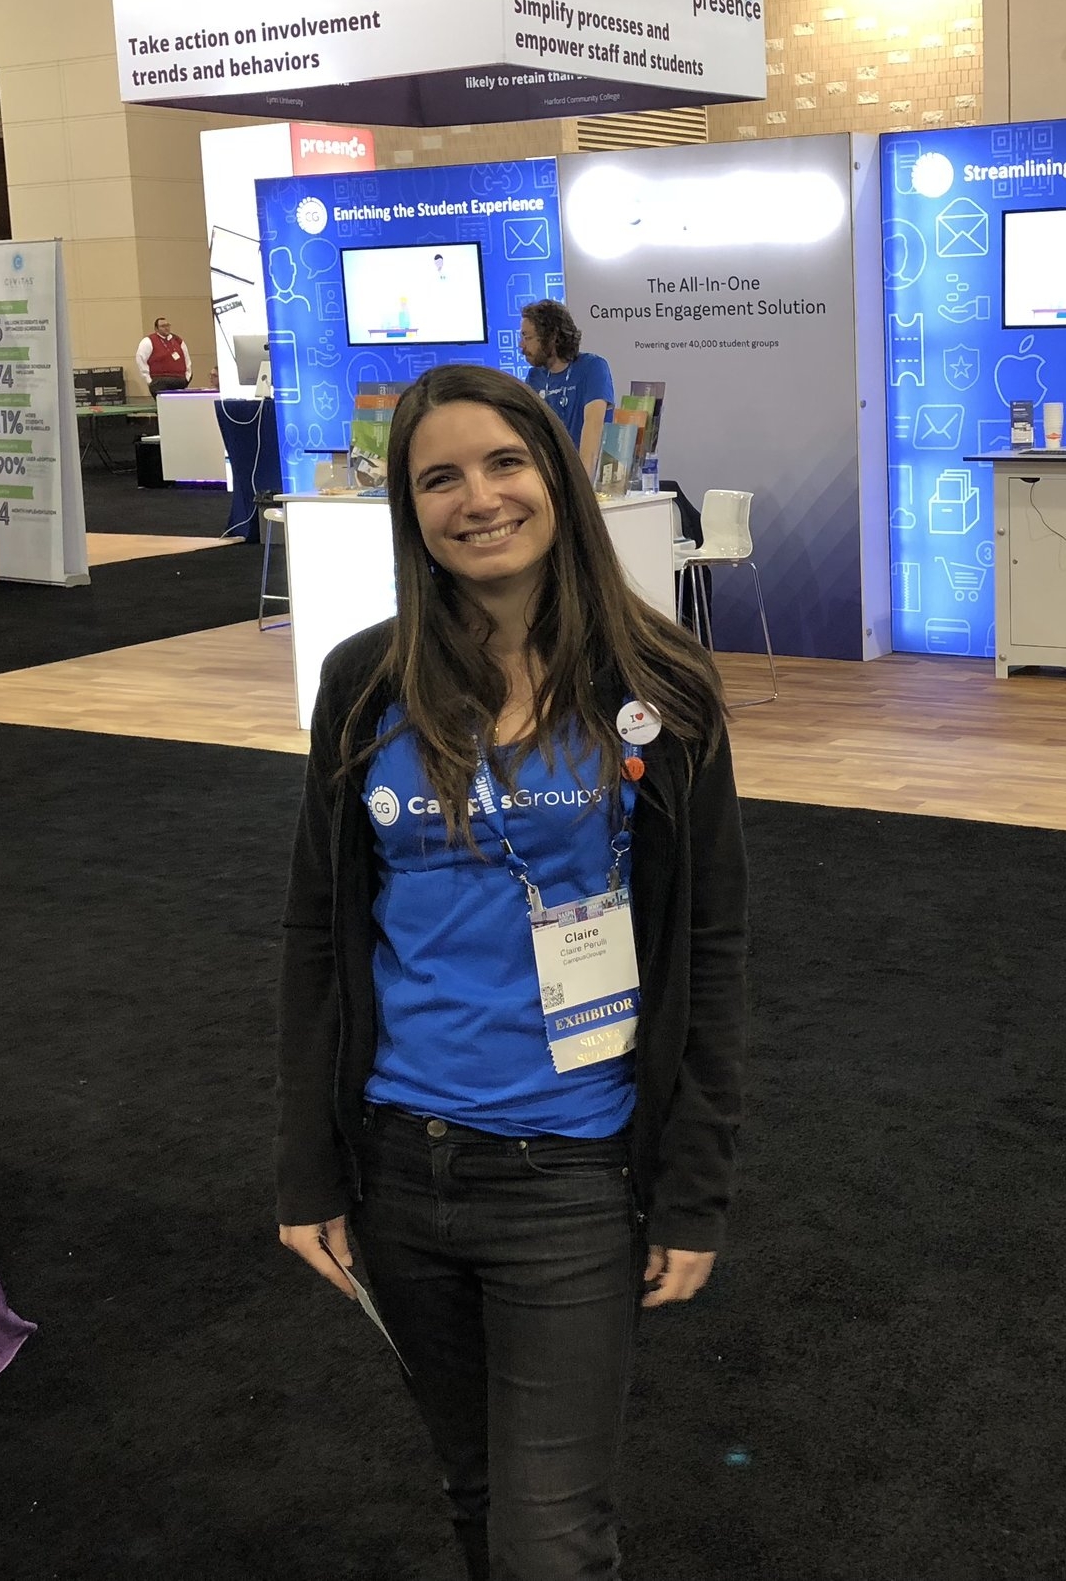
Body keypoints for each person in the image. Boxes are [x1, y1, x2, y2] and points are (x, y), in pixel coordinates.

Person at [275, 363, 747, 1580]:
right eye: (439, 477)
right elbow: (319, 930)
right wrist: (307, 1164)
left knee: (551, 1539)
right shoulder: (363, 684)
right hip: (399, 1163)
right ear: (409, 509)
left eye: (503, 464)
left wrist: (694, 1187)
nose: (477, 498)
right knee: (477, 1494)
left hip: (572, 1173)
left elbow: (711, 945)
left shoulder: (663, 688)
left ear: (556, 479)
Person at [520, 299, 613, 450]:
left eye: (527, 337)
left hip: (585, 469)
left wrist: (581, 474)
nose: (521, 345)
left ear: (552, 337)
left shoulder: (592, 367)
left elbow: (593, 427)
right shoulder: (534, 377)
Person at [136, 317, 190, 394]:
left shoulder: (178, 340)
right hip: (160, 381)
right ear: (156, 329)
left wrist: (187, 377)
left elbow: (187, 359)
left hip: (180, 380)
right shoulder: (148, 341)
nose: (166, 328)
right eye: (163, 326)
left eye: (167, 325)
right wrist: (149, 381)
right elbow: (141, 360)